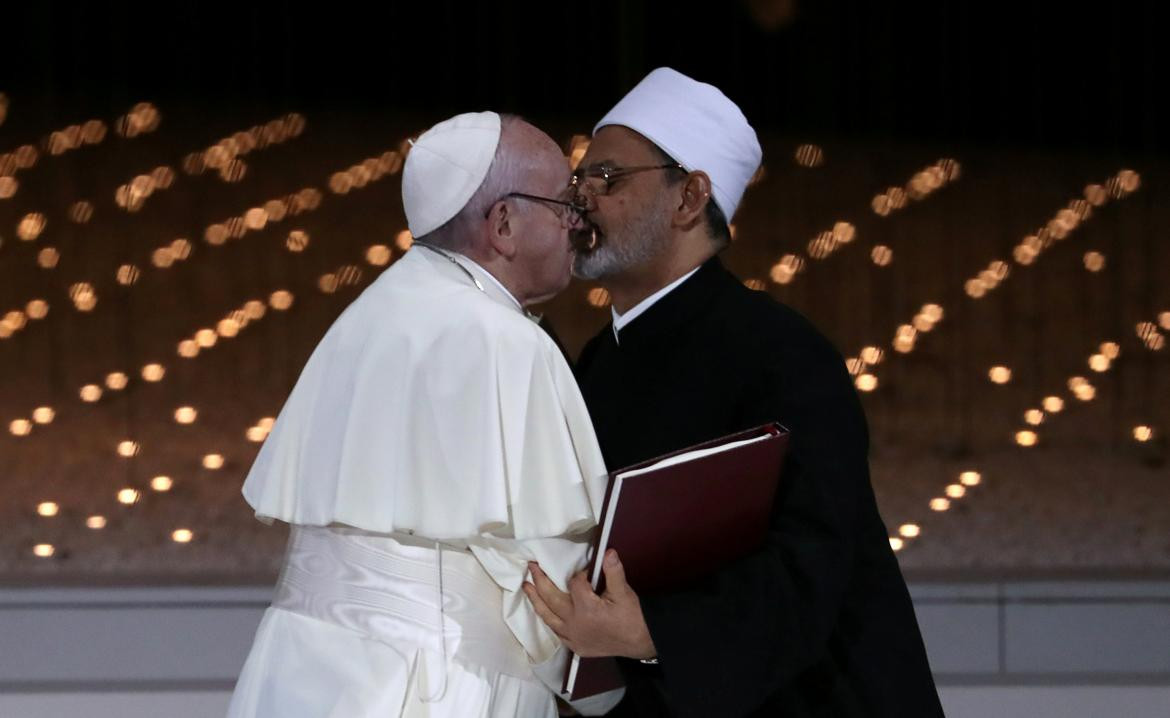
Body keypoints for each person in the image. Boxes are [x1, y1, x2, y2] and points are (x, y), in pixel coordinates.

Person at [523, 68, 944, 717]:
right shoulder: (600, 361)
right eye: (579, 180)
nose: (582, 199)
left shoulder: (783, 355)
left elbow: (811, 566)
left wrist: (651, 633)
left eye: (606, 178)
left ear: (689, 197)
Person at [228, 111, 623, 717]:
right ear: (504, 224)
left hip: (300, 671)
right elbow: (547, 580)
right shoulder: (505, 342)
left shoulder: (365, 315)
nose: (577, 220)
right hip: (436, 686)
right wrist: (619, 669)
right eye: (564, 202)